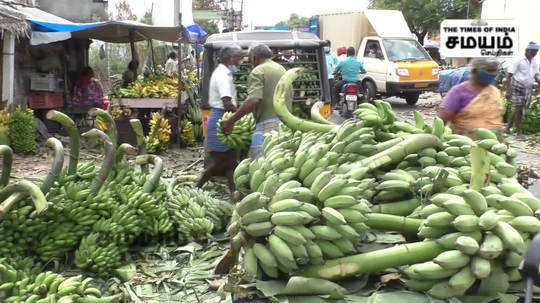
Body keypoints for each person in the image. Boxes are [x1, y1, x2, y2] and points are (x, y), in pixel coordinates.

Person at [221, 44, 287, 160]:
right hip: (285, 124)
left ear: (255, 58)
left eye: (251, 59)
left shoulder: (258, 71)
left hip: (267, 125)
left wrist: (230, 121)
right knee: (277, 161)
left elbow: (254, 101)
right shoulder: (281, 69)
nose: (251, 62)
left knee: (258, 164)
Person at [197, 44, 243, 195]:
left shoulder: (225, 73)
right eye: (238, 58)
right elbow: (227, 102)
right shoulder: (222, 75)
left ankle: (233, 193)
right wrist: (243, 114)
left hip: (223, 119)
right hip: (221, 121)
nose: (240, 61)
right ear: (229, 58)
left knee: (230, 162)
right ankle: (198, 186)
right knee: (223, 162)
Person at [438, 58, 504, 139]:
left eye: (495, 71)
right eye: (489, 71)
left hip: (493, 145)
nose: (493, 74)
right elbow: (440, 121)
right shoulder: (458, 92)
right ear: (475, 71)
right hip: (465, 146)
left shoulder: (495, 92)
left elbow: (498, 120)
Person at [505, 41, 540, 135]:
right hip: (517, 86)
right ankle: (518, 132)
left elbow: (536, 74)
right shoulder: (518, 60)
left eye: (536, 52)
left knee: (518, 108)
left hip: (528, 88)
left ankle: (507, 128)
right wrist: (508, 90)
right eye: (533, 52)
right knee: (519, 108)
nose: (534, 54)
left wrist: (539, 81)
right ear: (527, 50)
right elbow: (509, 75)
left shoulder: (533, 61)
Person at [325, 40, 339, 106]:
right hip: (323, 77)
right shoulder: (321, 53)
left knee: (331, 91)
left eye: (327, 46)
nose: (326, 47)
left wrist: (335, 72)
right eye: (325, 46)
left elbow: (337, 64)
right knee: (324, 91)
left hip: (330, 76)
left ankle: (331, 105)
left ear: (330, 46)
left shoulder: (333, 54)